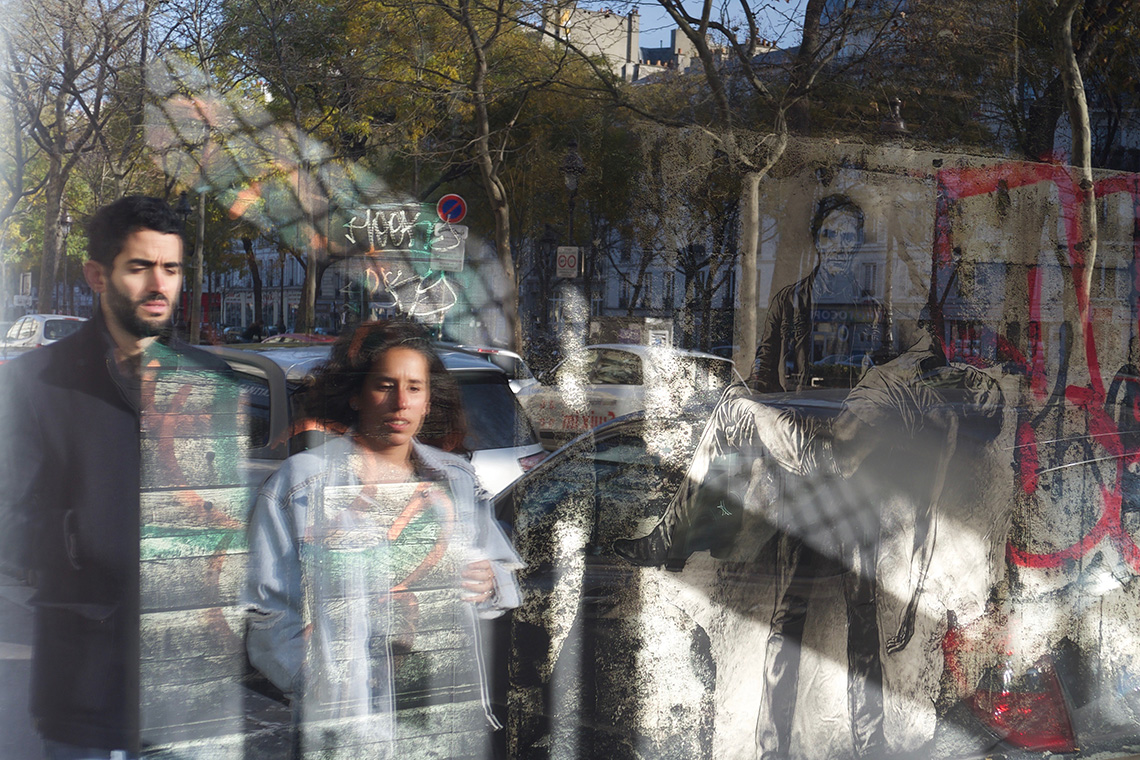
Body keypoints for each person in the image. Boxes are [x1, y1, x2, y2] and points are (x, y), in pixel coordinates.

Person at [614, 330, 1003, 758]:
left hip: (821, 458)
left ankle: (668, 542)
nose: (974, 377)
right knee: (809, 619)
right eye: (979, 377)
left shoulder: (941, 418)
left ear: (970, 409)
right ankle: (790, 749)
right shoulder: (927, 356)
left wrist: (912, 602)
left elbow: (928, 514)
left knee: (730, 409)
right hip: (843, 491)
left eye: (980, 390)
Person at [0, 196, 234, 759]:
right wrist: (84, 539)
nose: (160, 284)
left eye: (172, 269)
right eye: (141, 267)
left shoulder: (214, 379)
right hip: (86, 673)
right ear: (97, 274)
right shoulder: (37, 381)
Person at [244, 320, 522, 759]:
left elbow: (502, 573)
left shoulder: (455, 479)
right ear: (355, 394)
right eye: (385, 385)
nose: (400, 402)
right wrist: (321, 684)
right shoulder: (302, 485)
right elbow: (265, 613)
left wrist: (492, 583)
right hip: (346, 727)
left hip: (438, 716)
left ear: (429, 401)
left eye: (415, 387)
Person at [751, 194, 888, 392]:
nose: (838, 247)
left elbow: (878, 371)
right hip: (795, 411)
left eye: (848, 237)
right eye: (829, 235)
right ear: (817, 241)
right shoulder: (787, 301)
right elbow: (765, 366)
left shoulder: (872, 309)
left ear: (857, 244)